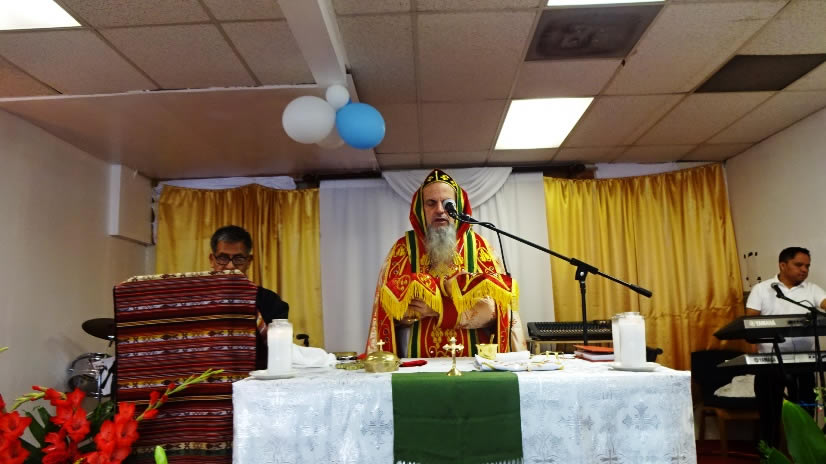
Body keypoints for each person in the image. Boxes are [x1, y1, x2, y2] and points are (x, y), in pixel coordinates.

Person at [365, 169, 526, 357]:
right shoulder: (403, 249)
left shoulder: (480, 248)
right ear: (421, 209)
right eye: (431, 203)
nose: (440, 210)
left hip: (472, 363)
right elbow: (384, 312)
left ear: (459, 207)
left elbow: (499, 312)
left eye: (447, 203)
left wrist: (438, 308)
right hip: (417, 364)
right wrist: (410, 312)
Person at [746, 246, 826, 446]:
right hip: (769, 363)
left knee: (805, 413)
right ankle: (770, 455)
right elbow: (750, 323)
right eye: (799, 265)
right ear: (783, 265)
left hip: (804, 363)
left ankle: (804, 455)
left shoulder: (812, 289)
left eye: (807, 266)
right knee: (769, 414)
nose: (804, 270)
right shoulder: (762, 289)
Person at [209, 225, 289, 369]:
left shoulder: (271, 302)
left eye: (239, 258)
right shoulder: (194, 301)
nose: (230, 266)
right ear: (212, 260)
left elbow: (278, 353)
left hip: (255, 379)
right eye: (223, 258)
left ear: (249, 261)